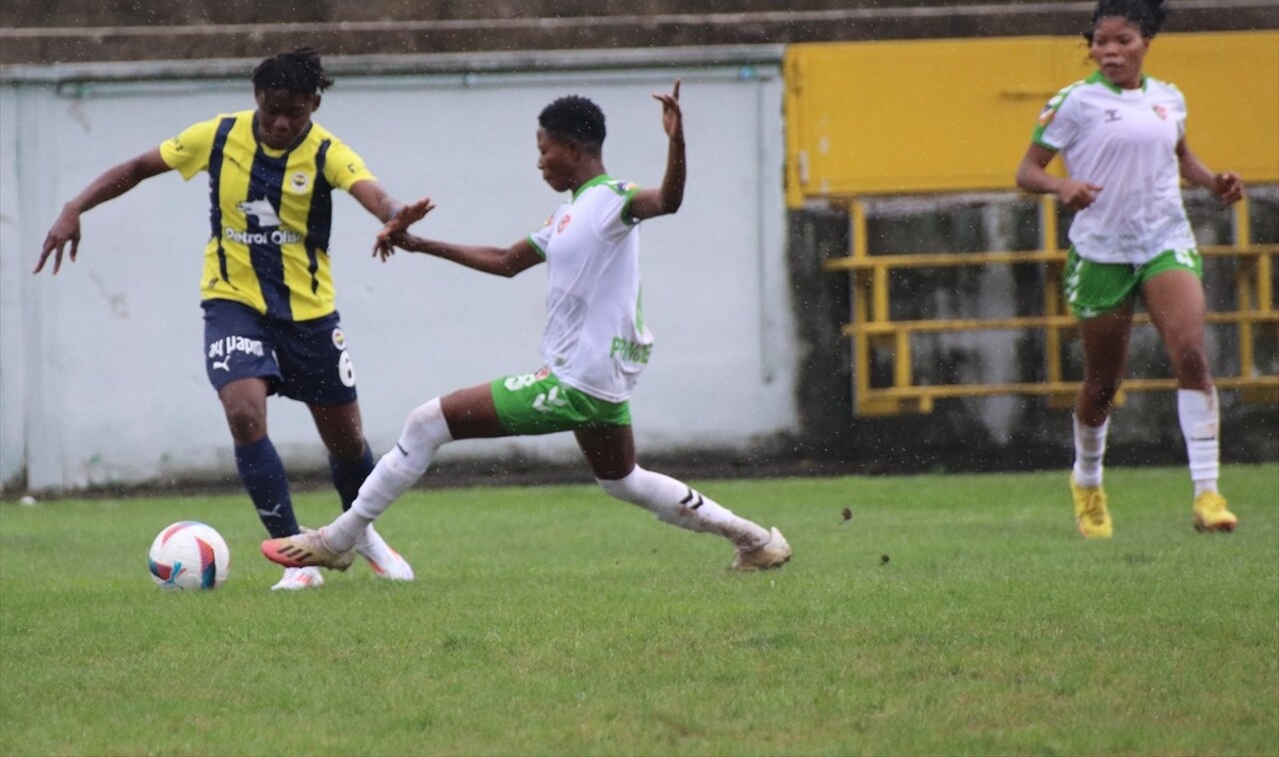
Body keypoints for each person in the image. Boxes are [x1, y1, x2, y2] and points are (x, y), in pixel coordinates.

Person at [260, 81, 792, 576]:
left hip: (578, 379)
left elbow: (668, 201)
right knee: (622, 480)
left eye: (545, 151)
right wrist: (422, 244)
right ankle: (754, 540)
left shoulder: (614, 200)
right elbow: (506, 260)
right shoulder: (566, 215)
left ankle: (341, 537)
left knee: (426, 423)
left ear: (576, 149)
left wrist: (677, 144)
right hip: (591, 378)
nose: (539, 162)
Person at [34, 48, 420, 589]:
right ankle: (295, 559)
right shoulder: (217, 137)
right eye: (271, 110)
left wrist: (394, 217)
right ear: (257, 100)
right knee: (243, 415)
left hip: (309, 316)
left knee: (346, 444)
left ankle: (357, 532)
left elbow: (371, 192)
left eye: (295, 112)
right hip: (231, 303)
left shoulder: (327, 151)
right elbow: (138, 168)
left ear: (314, 104)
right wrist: (75, 206)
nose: (282, 123)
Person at [1015, 0, 1245, 539]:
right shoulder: (1074, 103)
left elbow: (1182, 159)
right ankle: (1088, 483)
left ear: (1146, 41)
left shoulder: (1169, 99)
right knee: (1102, 384)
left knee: (1191, 353)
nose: (1110, 51)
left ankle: (1208, 494)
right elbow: (1027, 172)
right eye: (1100, 41)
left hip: (1164, 239)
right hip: (1102, 252)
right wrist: (1063, 188)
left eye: (1122, 41)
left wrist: (1213, 181)